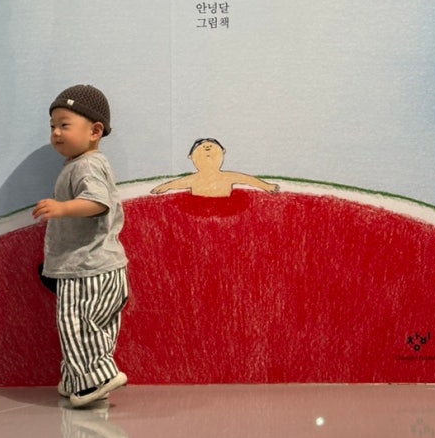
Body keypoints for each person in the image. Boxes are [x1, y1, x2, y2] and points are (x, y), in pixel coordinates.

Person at [33, 84, 129, 408]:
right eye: (52, 126)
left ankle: (94, 380)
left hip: (86, 267)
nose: (56, 133)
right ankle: (76, 379)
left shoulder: (86, 165)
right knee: (93, 326)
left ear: (95, 131)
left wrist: (62, 208)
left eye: (64, 124)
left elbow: (98, 202)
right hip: (101, 266)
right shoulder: (82, 164)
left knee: (75, 324)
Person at [151, 137, 279, 198]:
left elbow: (247, 179)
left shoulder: (227, 176)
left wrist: (267, 186)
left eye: (212, 145)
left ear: (223, 152)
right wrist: (164, 187)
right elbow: (174, 184)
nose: (207, 147)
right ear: (191, 157)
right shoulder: (193, 179)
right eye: (201, 146)